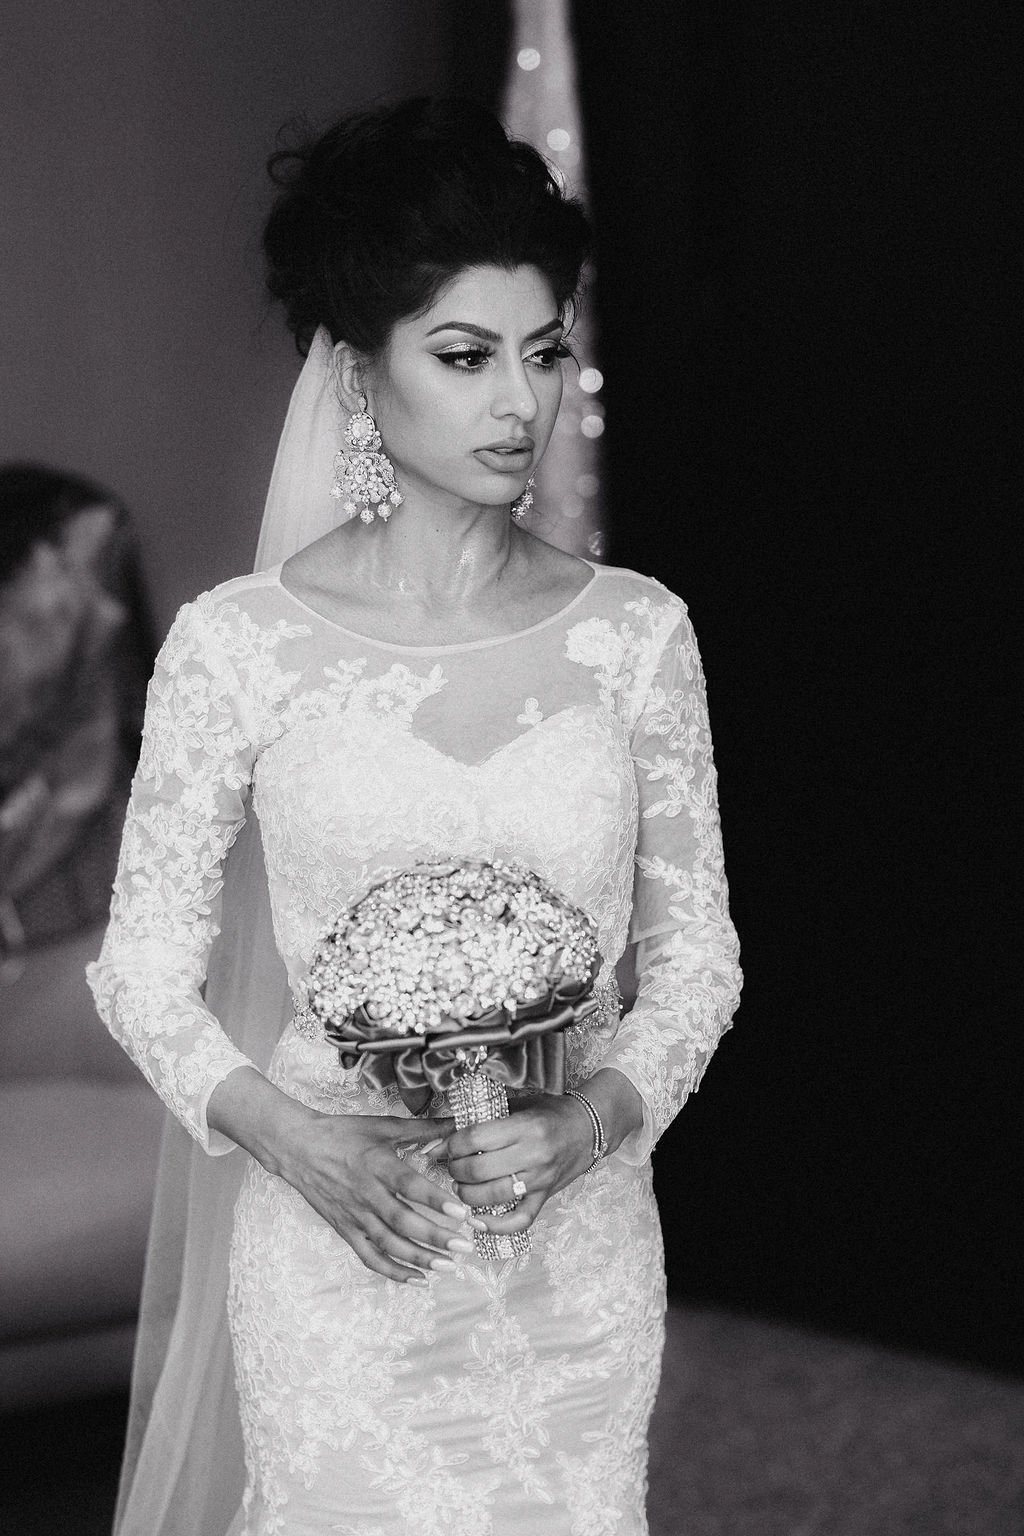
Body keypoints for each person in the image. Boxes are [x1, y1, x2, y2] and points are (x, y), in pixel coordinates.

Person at [87, 97, 742, 1536]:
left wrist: (599, 1113)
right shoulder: (237, 645)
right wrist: (289, 1137)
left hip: (575, 1262)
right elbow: (137, 969)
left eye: (546, 351)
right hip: (338, 1260)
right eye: (464, 356)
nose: (522, 402)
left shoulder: (636, 636)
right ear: (362, 377)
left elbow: (699, 963)